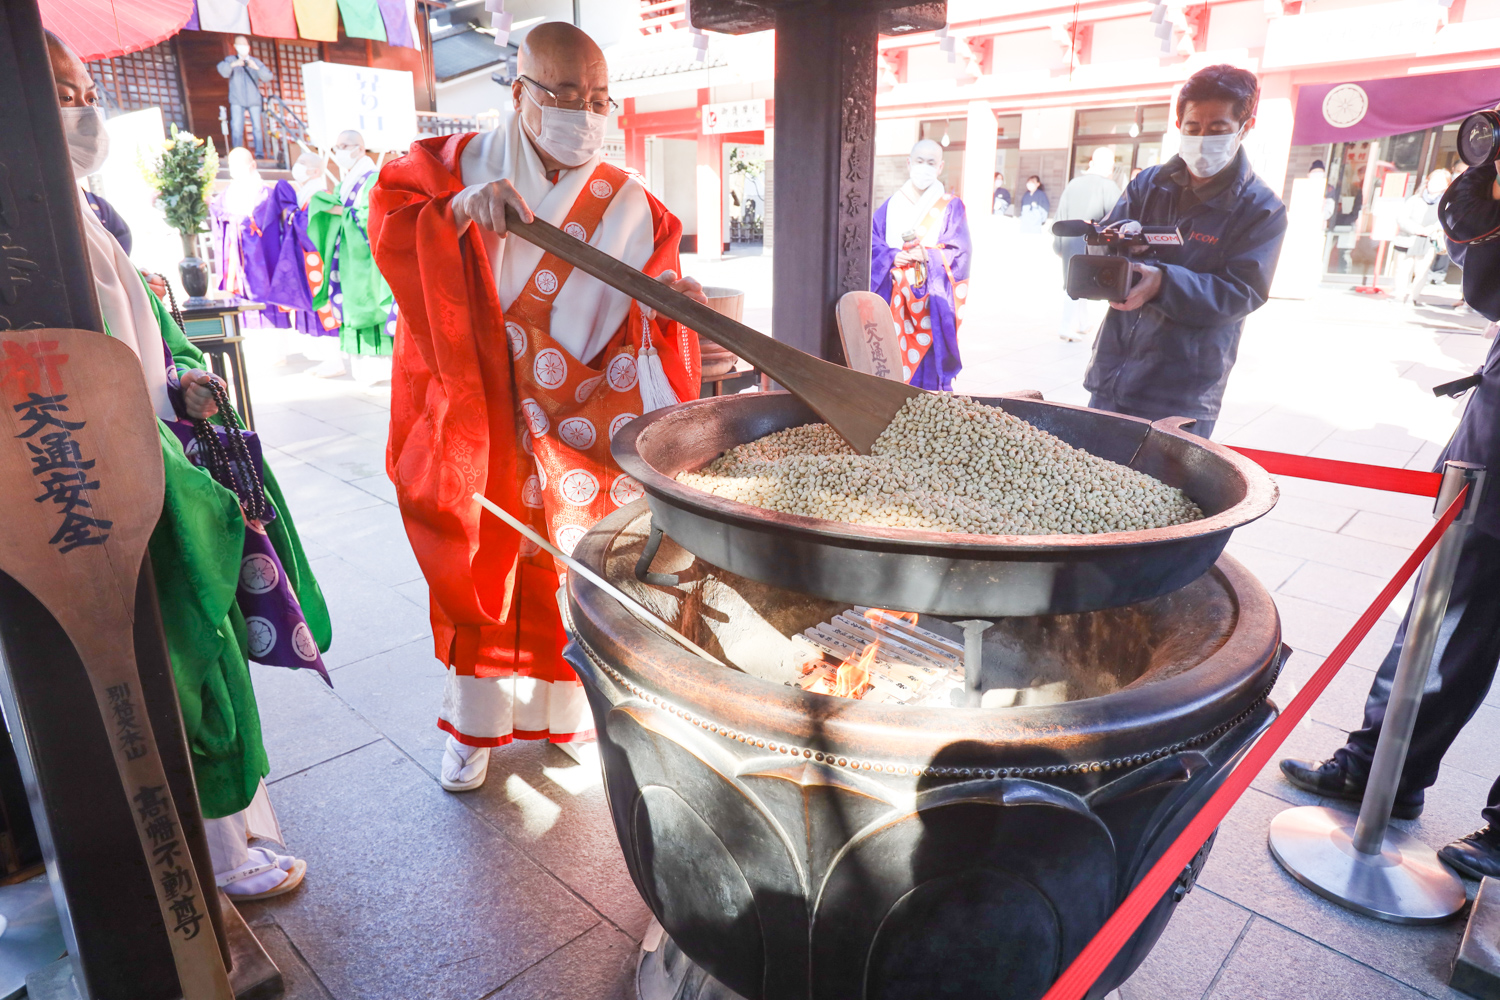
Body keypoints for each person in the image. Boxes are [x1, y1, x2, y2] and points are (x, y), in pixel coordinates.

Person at [368, 21, 705, 792]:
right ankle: (471, 728)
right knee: (475, 569)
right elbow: (388, 227)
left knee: (572, 562)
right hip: (476, 412)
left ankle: (566, 716)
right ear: (520, 94)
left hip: (578, 415)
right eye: (564, 95)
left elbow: (649, 320)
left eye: (597, 99)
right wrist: (453, 214)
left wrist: (669, 308)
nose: (584, 113)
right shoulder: (449, 168)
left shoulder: (633, 206)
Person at [48, 30, 329, 901]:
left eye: (82, 87)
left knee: (195, 659)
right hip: (107, 484)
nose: (82, 110)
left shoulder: (77, 205)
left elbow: (127, 348)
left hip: (141, 451)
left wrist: (175, 391)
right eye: (59, 91)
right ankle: (219, 859)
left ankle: (231, 840)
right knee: (179, 664)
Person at [1281, 159, 1500, 878]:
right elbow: (1485, 282)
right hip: (1493, 449)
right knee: (1442, 619)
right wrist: (1487, 183)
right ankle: (1382, 771)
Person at [1082, 64, 1287, 439]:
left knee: (1160, 496)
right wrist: (1108, 254)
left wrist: (1163, 283)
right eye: (1193, 128)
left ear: (1246, 127)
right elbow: (1107, 257)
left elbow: (1243, 292)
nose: (1203, 137)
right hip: (1113, 374)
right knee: (1092, 488)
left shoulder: (1261, 209)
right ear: (1179, 123)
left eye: (1218, 129)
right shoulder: (1149, 184)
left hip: (1184, 392)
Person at [869, 139, 971, 389]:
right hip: (893, 296)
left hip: (930, 300)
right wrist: (892, 256)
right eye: (919, 161)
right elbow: (871, 242)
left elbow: (960, 251)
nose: (924, 167)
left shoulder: (951, 205)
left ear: (940, 167)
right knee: (890, 355)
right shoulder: (891, 204)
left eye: (931, 162)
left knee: (927, 368)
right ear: (909, 163)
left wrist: (928, 255)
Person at [306, 130, 396, 379]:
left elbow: (373, 214)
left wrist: (342, 211)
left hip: (365, 257)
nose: (340, 152)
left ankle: (383, 370)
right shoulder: (346, 181)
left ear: (360, 147)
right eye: (336, 147)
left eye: (345, 145)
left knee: (369, 304)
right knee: (350, 305)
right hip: (346, 255)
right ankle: (362, 369)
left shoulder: (373, 177)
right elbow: (340, 207)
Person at [1054, 147, 1122, 342]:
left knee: (1076, 280)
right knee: (1079, 282)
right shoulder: (1109, 187)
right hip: (1092, 243)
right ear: (1109, 165)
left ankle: (1083, 323)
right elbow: (1117, 219)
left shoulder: (1073, 184)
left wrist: (1058, 245)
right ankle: (1066, 326)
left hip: (1068, 240)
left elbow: (1060, 216)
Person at [1394, 168, 1450, 306]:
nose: (1435, 184)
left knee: (1422, 271)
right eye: (1433, 180)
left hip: (1429, 241)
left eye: (1440, 181)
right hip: (1407, 240)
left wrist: (1433, 228)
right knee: (1403, 269)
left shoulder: (1446, 204)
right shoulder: (1414, 199)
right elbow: (1402, 218)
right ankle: (1399, 296)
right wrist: (1416, 229)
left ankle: (1413, 297)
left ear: (1446, 185)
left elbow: (1447, 220)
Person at [216, 37, 272, 160]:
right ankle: (237, 153)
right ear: (235, 46)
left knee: (257, 127)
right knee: (236, 127)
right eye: (240, 44)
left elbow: (267, 76)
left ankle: (259, 153)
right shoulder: (230, 60)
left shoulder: (255, 61)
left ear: (249, 47)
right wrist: (234, 64)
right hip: (237, 99)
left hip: (254, 100)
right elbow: (223, 72)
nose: (243, 47)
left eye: (245, 44)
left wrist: (256, 68)